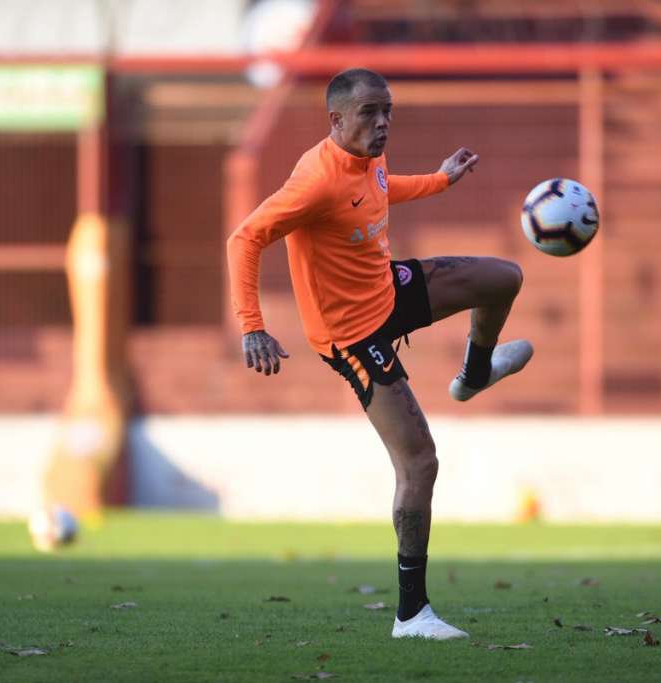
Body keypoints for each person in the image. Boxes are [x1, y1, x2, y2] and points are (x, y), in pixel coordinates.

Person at [226, 68, 533, 639]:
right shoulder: (315, 181)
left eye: (388, 109)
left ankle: (474, 372)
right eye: (370, 112)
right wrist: (252, 327)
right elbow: (244, 238)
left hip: (386, 289)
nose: (383, 121)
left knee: (503, 277)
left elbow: (387, 187)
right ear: (336, 120)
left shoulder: (370, 158)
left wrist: (440, 181)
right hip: (352, 334)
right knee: (420, 463)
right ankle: (411, 615)